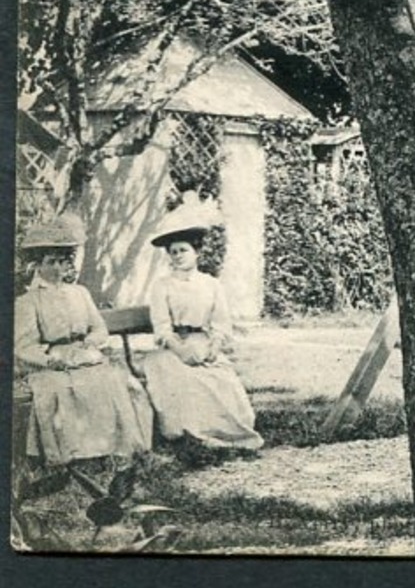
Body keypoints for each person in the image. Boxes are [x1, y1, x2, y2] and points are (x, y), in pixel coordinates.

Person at [13, 215, 153, 469]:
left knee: (114, 380)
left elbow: (98, 328)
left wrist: (90, 345)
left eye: (62, 261)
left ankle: (114, 448)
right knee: (65, 389)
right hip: (53, 363)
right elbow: (24, 346)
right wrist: (52, 358)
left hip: (85, 355)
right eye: (50, 262)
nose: (57, 268)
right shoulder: (29, 301)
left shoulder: (80, 293)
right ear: (38, 265)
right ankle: (77, 454)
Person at [137, 195, 264, 456]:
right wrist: (181, 351)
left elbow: (220, 324)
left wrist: (214, 347)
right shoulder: (162, 286)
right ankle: (194, 438)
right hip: (173, 348)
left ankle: (228, 435)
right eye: (173, 252)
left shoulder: (211, 285)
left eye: (183, 250)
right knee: (184, 380)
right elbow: (162, 327)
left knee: (221, 380)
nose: (178, 256)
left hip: (204, 343)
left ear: (197, 252)